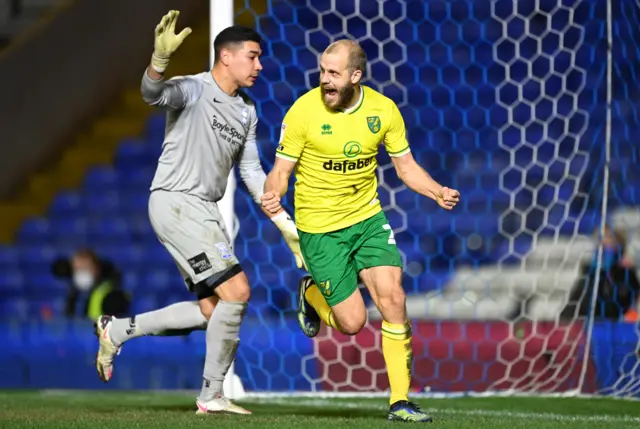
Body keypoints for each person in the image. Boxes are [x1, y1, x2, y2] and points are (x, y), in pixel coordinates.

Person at [93, 10, 303, 415]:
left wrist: (277, 211)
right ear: (226, 56)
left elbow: (250, 171)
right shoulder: (193, 88)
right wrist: (159, 60)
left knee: (213, 310)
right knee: (238, 291)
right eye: (253, 56)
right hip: (176, 199)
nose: (260, 65)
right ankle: (211, 394)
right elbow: (151, 94)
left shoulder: (246, 111)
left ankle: (116, 330)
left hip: (203, 209)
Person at [262, 39, 460, 423]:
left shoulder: (383, 111)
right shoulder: (303, 111)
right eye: (322, 71)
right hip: (320, 229)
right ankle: (311, 292)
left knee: (394, 299)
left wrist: (437, 191)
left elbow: (406, 167)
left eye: (333, 73)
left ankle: (400, 401)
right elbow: (281, 172)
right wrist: (273, 195)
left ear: (356, 75)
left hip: (367, 219)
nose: (324, 80)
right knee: (352, 323)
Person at [52, 248, 130, 321]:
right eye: (78, 269)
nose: (82, 273)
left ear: (97, 269)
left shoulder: (111, 296)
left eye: (86, 268)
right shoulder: (73, 295)